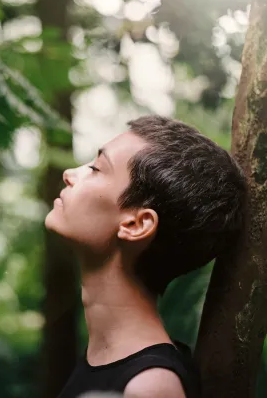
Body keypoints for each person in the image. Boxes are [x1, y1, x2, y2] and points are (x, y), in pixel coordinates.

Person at [44, 115, 247, 398]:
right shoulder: (108, 359)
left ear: (135, 225)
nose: (70, 173)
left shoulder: (150, 388)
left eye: (95, 168)